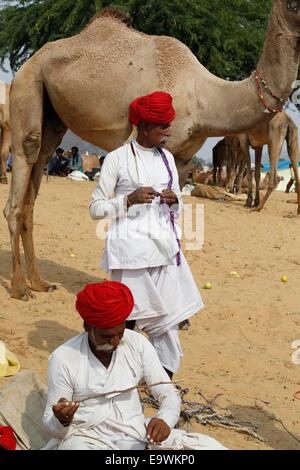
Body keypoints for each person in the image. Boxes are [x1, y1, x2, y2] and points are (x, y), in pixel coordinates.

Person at [89, 91, 203, 379]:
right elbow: (95, 208)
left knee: (167, 324)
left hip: (164, 253)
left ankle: (162, 384)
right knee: (124, 322)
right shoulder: (117, 159)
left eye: (168, 126)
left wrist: (172, 200)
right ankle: (118, 377)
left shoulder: (167, 158)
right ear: (143, 127)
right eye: (162, 127)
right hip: (130, 256)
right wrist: (128, 200)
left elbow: (180, 202)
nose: (168, 132)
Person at [42, 281, 181, 450]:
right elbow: (50, 425)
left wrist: (165, 419)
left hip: (136, 435)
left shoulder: (137, 343)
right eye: (106, 337)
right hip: (86, 439)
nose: (115, 342)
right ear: (87, 327)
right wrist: (62, 420)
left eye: (119, 334)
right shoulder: (63, 358)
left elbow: (168, 392)